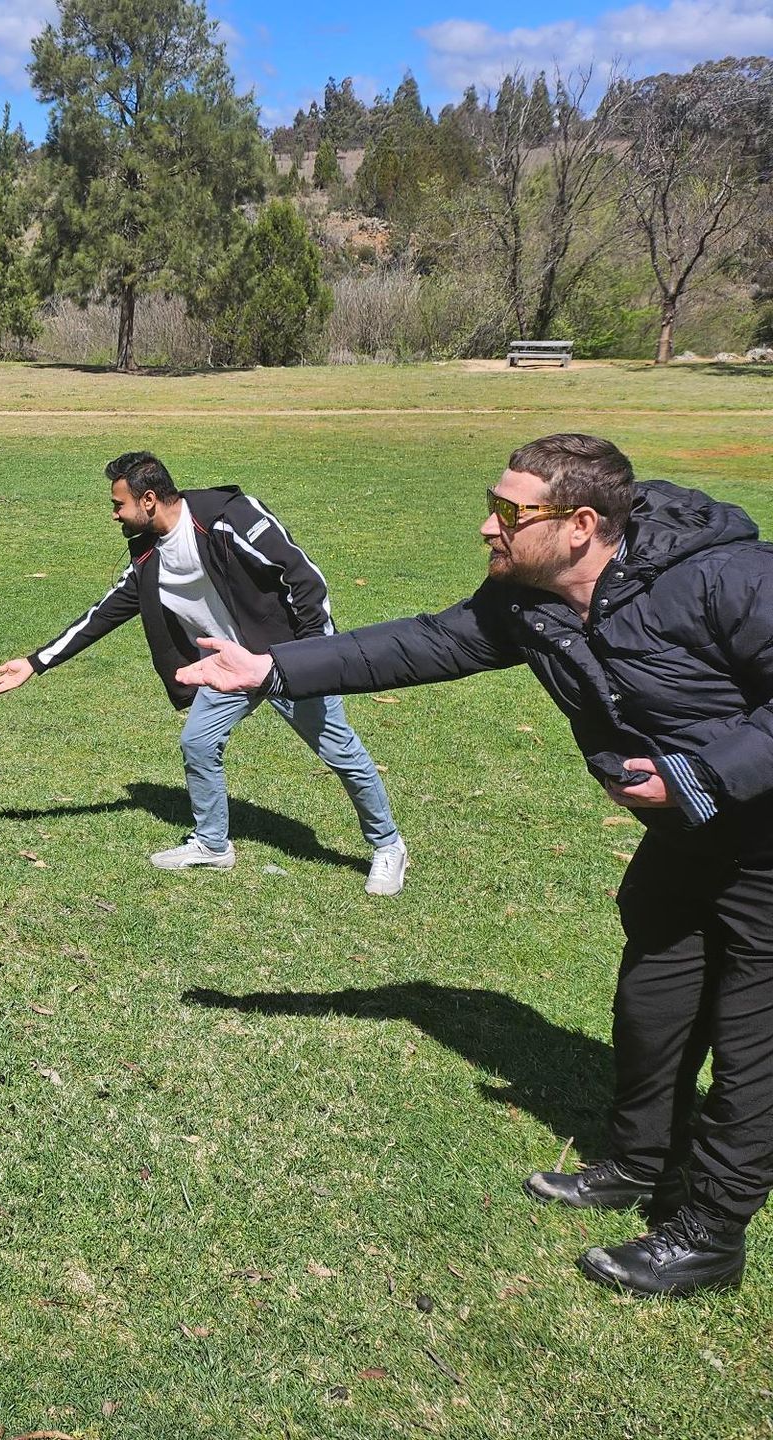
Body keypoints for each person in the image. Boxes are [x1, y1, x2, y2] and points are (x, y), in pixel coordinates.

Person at [177, 432, 773, 1299]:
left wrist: (705, 774)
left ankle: (712, 1233)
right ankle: (641, 1162)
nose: (486, 528)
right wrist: (272, 668)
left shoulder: (727, 577)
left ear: (578, 525)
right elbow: (421, 645)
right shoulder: (527, 604)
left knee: (754, 1040)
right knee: (656, 998)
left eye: (507, 511)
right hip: (685, 834)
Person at [0, 450, 409, 895]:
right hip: (227, 664)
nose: (114, 515)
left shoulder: (230, 518)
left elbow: (303, 578)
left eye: (118, 504)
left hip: (288, 656)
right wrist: (34, 662)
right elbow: (103, 614)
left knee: (338, 749)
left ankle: (388, 846)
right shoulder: (148, 556)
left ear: (148, 500)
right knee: (198, 742)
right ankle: (212, 844)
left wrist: (315, 653)